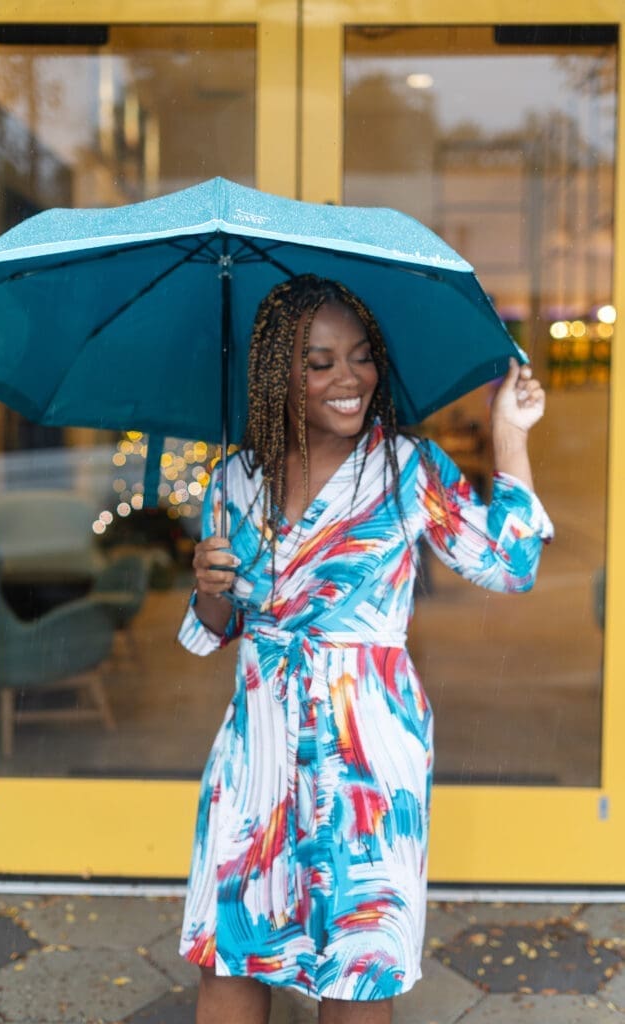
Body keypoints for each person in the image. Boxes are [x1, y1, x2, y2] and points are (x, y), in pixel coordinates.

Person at [177, 274, 553, 1024]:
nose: (348, 379)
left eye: (360, 357)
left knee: (357, 967)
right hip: (257, 746)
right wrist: (211, 584)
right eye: (318, 363)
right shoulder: (234, 480)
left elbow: (508, 565)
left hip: (366, 751)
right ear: (275, 375)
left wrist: (509, 433)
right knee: (229, 953)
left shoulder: (404, 469)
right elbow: (217, 627)